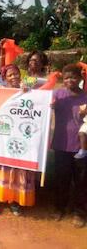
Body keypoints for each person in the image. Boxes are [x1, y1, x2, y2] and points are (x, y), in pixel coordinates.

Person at [0, 64, 35, 216]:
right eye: (10, 75)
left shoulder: (28, 91)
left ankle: (13, 200)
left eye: (16, 74)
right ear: (4, 78)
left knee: (16, 168)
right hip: (1, 136)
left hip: (19, 137)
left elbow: (40, 81)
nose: (14, 77)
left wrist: (27, 90)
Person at [51, 64, 87, 228]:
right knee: (61, 179)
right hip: (60, 144)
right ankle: (59, 208)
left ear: (80, 79)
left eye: (73, 77)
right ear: (62, 80)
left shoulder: (86, 98)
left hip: (81, 147)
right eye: (66, 78)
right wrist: (50, 105)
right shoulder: (57, 95)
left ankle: (79, 213)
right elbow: (39, 103)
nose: (70, 80)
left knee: (81, 181)